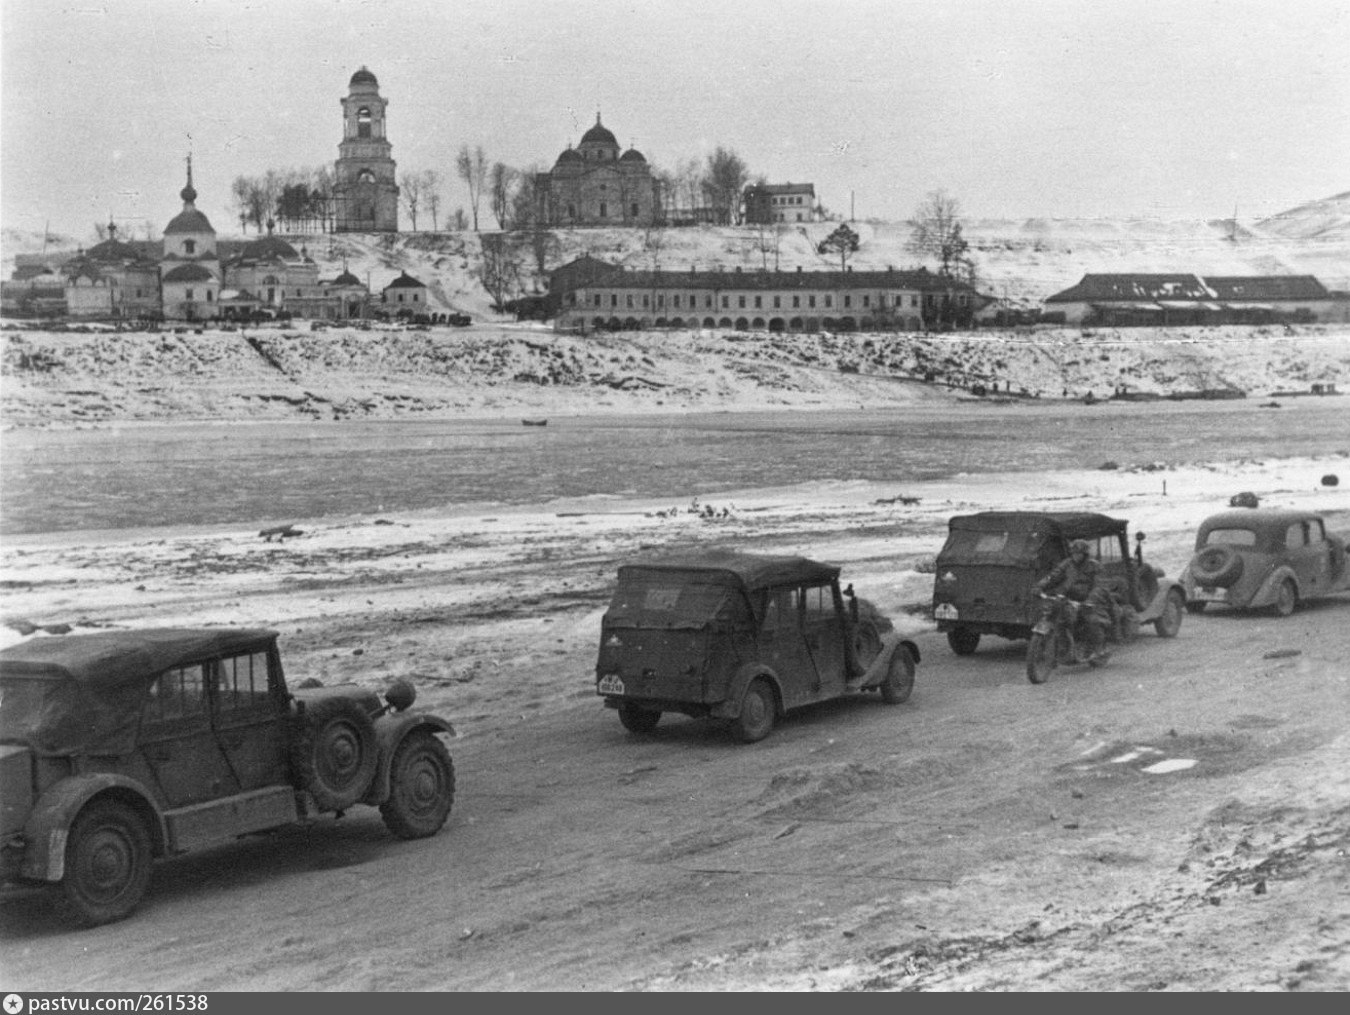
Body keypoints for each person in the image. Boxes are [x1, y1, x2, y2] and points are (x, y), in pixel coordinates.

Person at [1036, 539, 1112, 664]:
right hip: (1068, 599)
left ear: (1085, 555)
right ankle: (1062, 649)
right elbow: (1053, 576)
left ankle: (1096, 648)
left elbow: (1100, 586)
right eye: (1074, 553)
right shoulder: (1066, 564)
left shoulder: (1094, 566)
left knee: (1092, 620)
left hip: (1088, 601)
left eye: (1079, 554)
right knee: (1056, 616)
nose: (1076, 556)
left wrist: (1090, 600)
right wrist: (1040, 586)